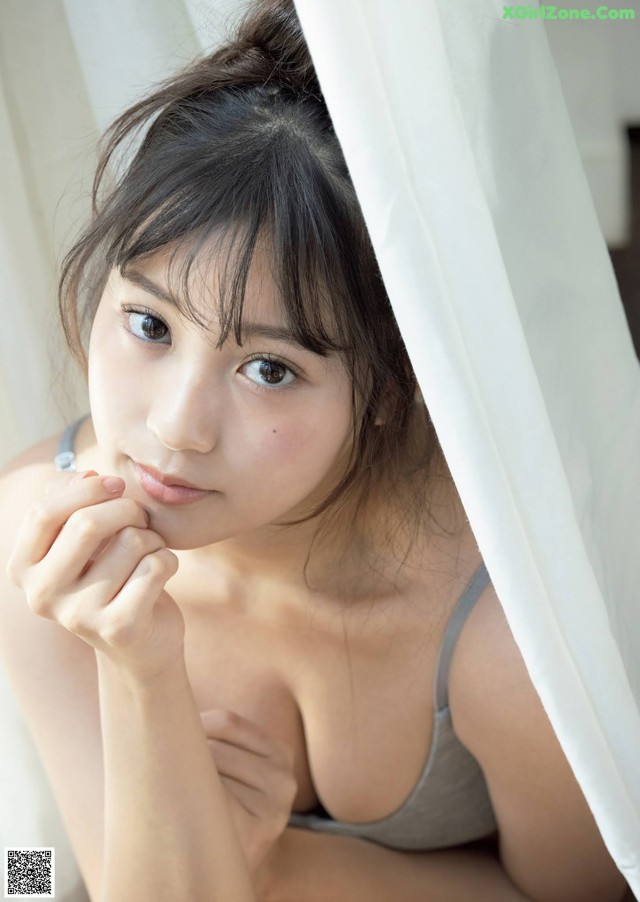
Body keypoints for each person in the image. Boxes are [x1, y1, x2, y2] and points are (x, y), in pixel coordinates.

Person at [0, 1, 629, 900]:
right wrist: (141, 672)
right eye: (148, 322)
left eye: (268, 367)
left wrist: (280, 864)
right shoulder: (47, 541)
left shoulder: (502, 622)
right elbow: (111, 887)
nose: (177, 426)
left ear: (387, 387)